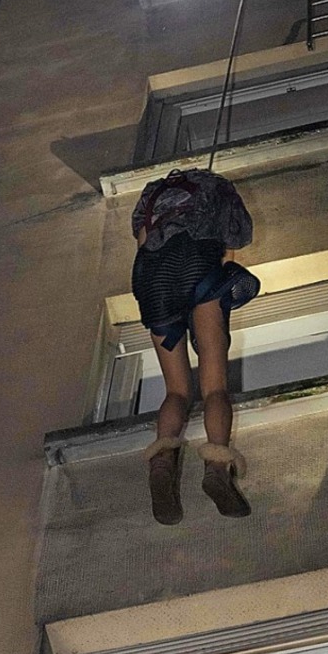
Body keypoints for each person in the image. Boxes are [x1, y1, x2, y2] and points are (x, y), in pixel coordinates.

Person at [131, 167, 259, 526]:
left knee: (176, 390)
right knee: (214, 385)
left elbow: (143, 242)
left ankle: (161, 464)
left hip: (152, 280)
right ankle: (217, 468)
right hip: (198, 265)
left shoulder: (150, 194)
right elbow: (233, 243)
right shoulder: (217, 188)